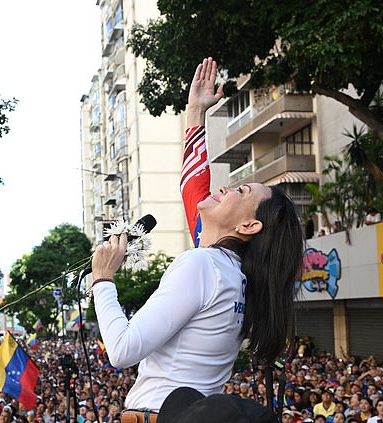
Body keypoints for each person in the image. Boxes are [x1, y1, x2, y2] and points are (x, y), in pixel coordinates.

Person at [90, 57, 304, 414]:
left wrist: (103, 280)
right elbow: (195, 190)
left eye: (241, 192)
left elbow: (123, 350)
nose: (226, 188)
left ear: (249, 227)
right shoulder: (235, 274)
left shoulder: (203, 265)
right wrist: (195, 115)